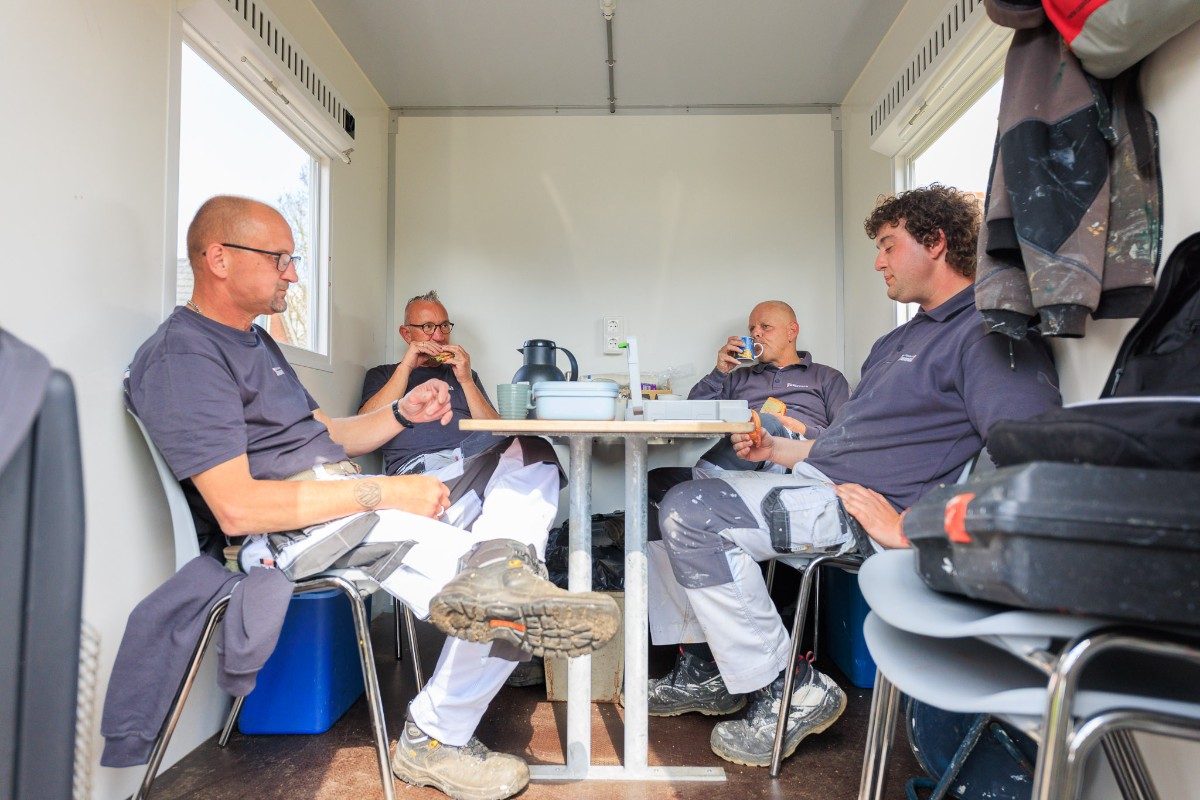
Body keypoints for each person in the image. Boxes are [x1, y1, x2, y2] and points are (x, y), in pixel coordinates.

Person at [125, 195, 619, 800]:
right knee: (503, 606)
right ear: (219, 259)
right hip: (291, 530)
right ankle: (435, 737)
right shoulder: (185, 356)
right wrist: (386, 489)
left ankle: (504, 564)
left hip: (341, 503)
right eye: (280, 259)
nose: (292, 274)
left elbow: (328, 434)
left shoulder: (254, 344)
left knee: (525, 469)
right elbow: (237, 508)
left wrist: (402, 412)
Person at [643, 184, 1061, 768]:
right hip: (816, 481)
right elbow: (845, 444)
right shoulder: (898, 340)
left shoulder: (986, 333)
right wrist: (775, 449)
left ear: (936, 243)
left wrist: (914, 529)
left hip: (862, 509)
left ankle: (789, 690)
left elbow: (1033, 458)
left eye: (889, 245)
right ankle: (711, 671)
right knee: (667, 493)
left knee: (693, 514)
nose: (878, 262)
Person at [359, 290, 501, 477]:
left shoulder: (465, 374)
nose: (439, 336)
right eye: (428, 327)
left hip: (472, 459)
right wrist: (406, 367)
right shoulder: (383, 375)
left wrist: (466, 380)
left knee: (530, 448)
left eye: (444, 326)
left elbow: (496, 433)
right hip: (420, 466)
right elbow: (364, 429)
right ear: (406, 334)